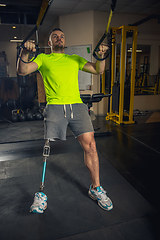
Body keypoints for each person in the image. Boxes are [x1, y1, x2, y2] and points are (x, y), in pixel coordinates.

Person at [17, 28, 113, 213]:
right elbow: (22, 70)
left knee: (91, 146)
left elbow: (98, 70)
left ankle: (96, 188)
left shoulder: (74, 59)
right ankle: (41, 195)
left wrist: (102, 55)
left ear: (64, 41)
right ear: (50, 42)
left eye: (62, 36)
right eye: (55, 37)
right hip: (54, 107)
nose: (59, 38)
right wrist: (25, 53)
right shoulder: (44, 59)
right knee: (47, 149)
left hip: (77, 106)